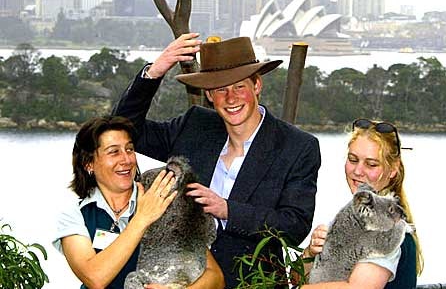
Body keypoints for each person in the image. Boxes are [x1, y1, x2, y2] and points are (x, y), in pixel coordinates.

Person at [112, 33, 321, 288]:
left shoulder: (297, 147)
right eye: (220, 89)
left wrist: (227, 210)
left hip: (251, 284)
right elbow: (121, 129)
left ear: (257, 86)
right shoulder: (195, 125)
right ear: (209, 95)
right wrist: (154, 72)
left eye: (239, 87)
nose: (230, 98)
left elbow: (294, 226)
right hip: (177, 281)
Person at [53, 115, 224, 289]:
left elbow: (215, 277)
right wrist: (142, 218)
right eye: (114, 152)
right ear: (89, 163)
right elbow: (95, 278)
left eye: (129, 149)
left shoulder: (163, 200)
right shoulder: (75, 216)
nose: (126, 160)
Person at [300, 118, 424, 289]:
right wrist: (311, 252)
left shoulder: (386, 225)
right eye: (352, 159)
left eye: (371, 164)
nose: (358, 171)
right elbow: (298, 278)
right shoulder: (353, 216)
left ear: (393, 169)